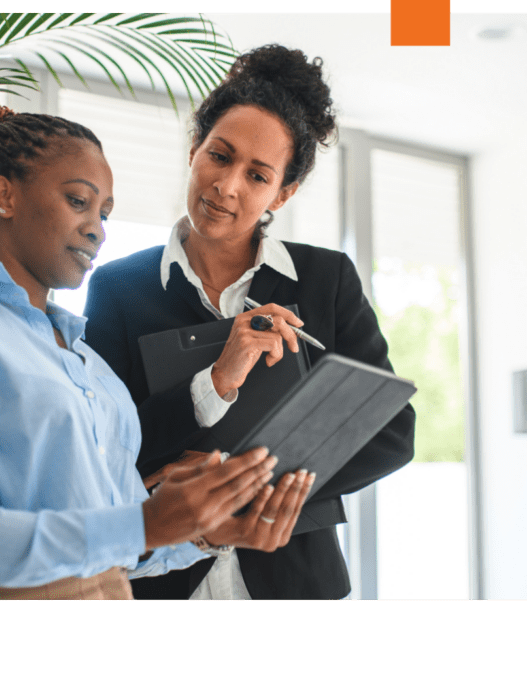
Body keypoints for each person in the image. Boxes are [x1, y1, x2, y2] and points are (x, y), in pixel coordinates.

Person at [0, 103, 315, 601]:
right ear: (4, 196)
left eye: (104, 212)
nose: (97, 228)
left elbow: (114, 550)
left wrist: (204, 532)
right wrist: (143, 524)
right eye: (79, 201)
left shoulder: (91, 367)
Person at [83, 45, 417, 600]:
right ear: (194, 150)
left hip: (297, 587)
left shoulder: (325, 280)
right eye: (219, 155)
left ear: (281, 194)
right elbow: (105, 449)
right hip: (163, 587)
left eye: (257, 175)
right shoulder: (119, 287)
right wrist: (211, 384)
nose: (227, 185)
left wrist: (240, 490)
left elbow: (389, 431)